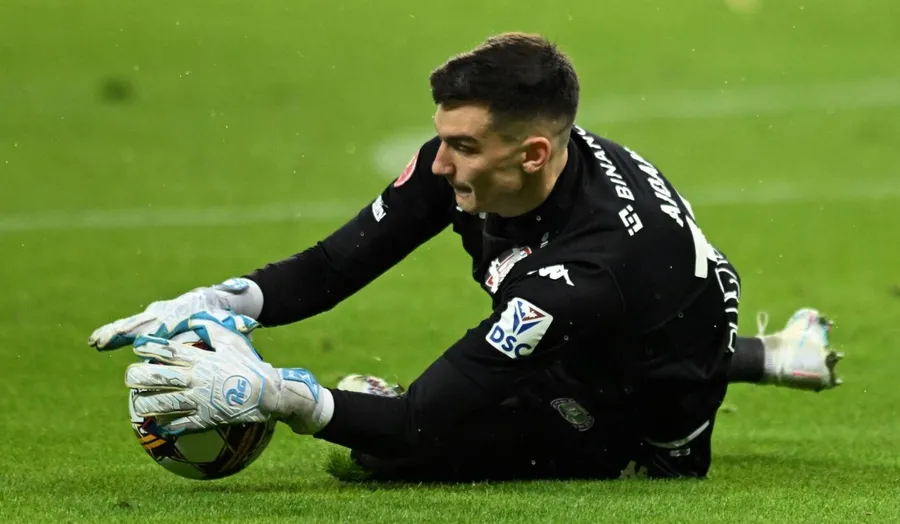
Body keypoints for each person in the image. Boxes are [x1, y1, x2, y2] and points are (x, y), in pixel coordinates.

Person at [92, 32, 843, 482]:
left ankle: (729, 377)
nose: (440, 163)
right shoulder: (485, 168)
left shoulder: (586, 272)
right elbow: (332, 267)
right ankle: (778, 354)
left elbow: (417, 420)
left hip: (646, 403)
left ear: (533, 152)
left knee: (378, 458)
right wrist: (218, 301)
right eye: (442, 137)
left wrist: (287, 396)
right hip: (646, 312)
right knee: (574, 340)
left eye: (463, 146)